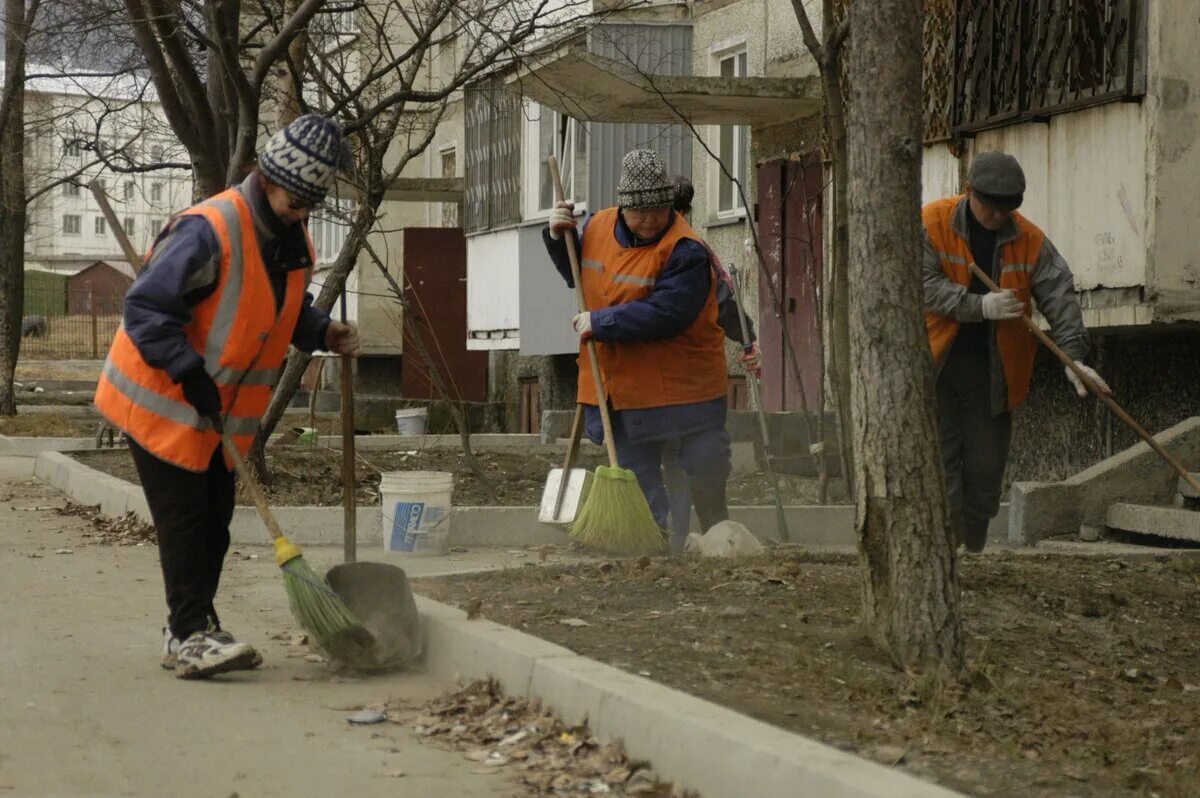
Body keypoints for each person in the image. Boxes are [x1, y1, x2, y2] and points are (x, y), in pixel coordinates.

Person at [94, 114, 361, 679]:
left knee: (215, 520)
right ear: (268, 178)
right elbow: (145, 307)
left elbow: (276, 308)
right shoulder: (208, 230)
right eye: (298, 201)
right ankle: (187, 634)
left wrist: (319, 331)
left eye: (313, 204)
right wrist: (187, 370)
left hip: (217, 418)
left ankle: (196, 626)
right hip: (159, 402)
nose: (304, 213)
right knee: (186, 520)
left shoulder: (289, 239)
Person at [923, 151, 1111, 553]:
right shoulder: (933, 222)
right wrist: (978, 306)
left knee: (986, 474)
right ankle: (947, 557)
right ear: (969, 191)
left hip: (994, 378)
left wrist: (1073, 357)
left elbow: (1059, 294)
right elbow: (920, 282)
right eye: (990, 208)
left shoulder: (1030, 240)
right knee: (942, 470)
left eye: (1006, 210)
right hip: (935, 370)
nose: (997, 217)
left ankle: (973, 551)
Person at [543, 149, 733, 540]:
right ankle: (652, 548)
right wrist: (556, 236)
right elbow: (578, 275)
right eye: (639, 213)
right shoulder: (597, 226)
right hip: (622, 388)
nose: (650, 220)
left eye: (659, 211)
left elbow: (667, 314)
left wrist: (601, 321)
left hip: (686, 390)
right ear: (623, 206)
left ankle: (717, 538)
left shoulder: (687, 250)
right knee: (635, 473)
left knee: (704, 464)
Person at [662, 176, 760, 552]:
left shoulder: (693, 251)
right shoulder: (690, 249)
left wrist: (747, 340)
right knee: (689, 463)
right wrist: (747, 339)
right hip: (678, 380)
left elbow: (724, 301)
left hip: (692, 381)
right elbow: (726, 301)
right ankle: (691, 544)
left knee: (697, 462)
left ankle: (710, 542)